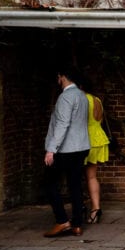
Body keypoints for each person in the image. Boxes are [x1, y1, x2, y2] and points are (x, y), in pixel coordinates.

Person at [43, 67, 91, 238]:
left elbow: (62, 124)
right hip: (81, 147)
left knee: (49, 183)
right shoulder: (82, 96)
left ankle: (62, 220)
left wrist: (51, 149)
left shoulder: (65, 97)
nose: (57, 79)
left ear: (62, 77)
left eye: (58, 77)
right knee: (75, 185)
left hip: (65, 149)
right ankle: (77, 224)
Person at [83, 90, 109, 224]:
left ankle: (80, 208)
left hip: (85, 139)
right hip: (98, 138)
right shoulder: (97, 100)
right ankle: (95, 209)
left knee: (75, 176)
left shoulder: (82, 99)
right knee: (92, 177)